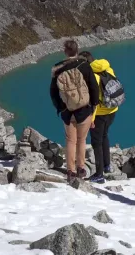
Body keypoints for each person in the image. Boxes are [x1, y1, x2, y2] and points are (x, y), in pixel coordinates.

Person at [50, 40, 99, 183]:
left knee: (70, 141)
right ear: (77, 50)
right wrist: (93, 105)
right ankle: (81, 167)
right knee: (81, 140)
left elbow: (53, 92)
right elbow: (93, 87)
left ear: (65, 51)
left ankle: (70, 170)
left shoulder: (57, 69)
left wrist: (61, 107)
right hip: (84, 110)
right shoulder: (84, 65)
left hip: (68, 112)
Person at [80, 51, 119, 184]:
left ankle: (99, 174)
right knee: (104, 136)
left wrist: (91, 119)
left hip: (100, 114)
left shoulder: (92, 77)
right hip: (113, 109)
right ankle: (107, 165)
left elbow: (94, 101)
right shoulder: (108, 68)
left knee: (96, 142)